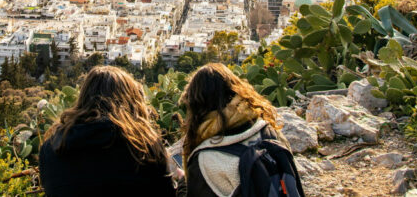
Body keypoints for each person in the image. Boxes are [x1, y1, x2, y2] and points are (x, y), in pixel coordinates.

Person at [39, 65, 178, 197]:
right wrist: (182, 182)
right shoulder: (143, 146)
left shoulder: (51, 148)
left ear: (83, 98)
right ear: (131, 102)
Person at [180, 63, 300, 197]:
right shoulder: (267, 129)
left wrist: (182, 185)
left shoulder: (204, 161)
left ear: (195, 105)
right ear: (235, 90)